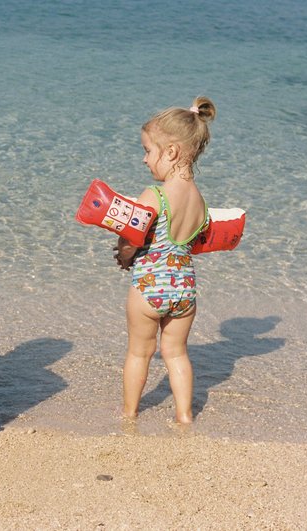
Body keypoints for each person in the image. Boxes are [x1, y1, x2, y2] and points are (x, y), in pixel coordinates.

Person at [113, 97, 216, 424]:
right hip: (184, 290)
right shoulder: (199, 201)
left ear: (170, 152)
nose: (145, 160)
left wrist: (125, 255)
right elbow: (195, 239)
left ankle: (130, 414)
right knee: (177, 354)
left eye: (147, 150)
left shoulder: (154, 196)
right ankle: (184, 416)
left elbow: (132, 236)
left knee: (139, 353)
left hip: (148, 287)